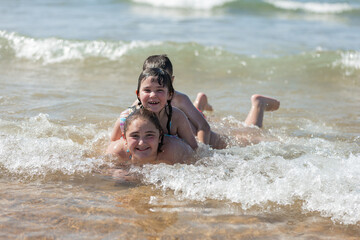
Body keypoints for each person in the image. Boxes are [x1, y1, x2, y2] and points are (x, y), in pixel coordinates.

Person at [140, 54, 280, 149]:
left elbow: (204, 127)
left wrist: (202, 151)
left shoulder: (179, 99)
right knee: (193, 116)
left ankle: (258, 105)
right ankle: (200, 104)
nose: (154, 93)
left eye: (162, 83)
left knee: (249, 135)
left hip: (209, 138)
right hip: (191, 124)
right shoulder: (142, 101)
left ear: (172, 80)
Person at [108, 67, 198, 151]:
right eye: (147, 90)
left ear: (170, 94)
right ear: (138, 94)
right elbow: (112, 145)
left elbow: (193, 148)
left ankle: (200, 103)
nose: (153, 95)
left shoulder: (176, 117)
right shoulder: (126, 118)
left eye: (160, 90)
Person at [106, 108, 194, 165]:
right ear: (125, 139)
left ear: (160, 137)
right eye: (135, 136)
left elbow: (195, 159)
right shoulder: (116, 153)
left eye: (149, 135)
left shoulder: (173, 152)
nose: (141, 143)